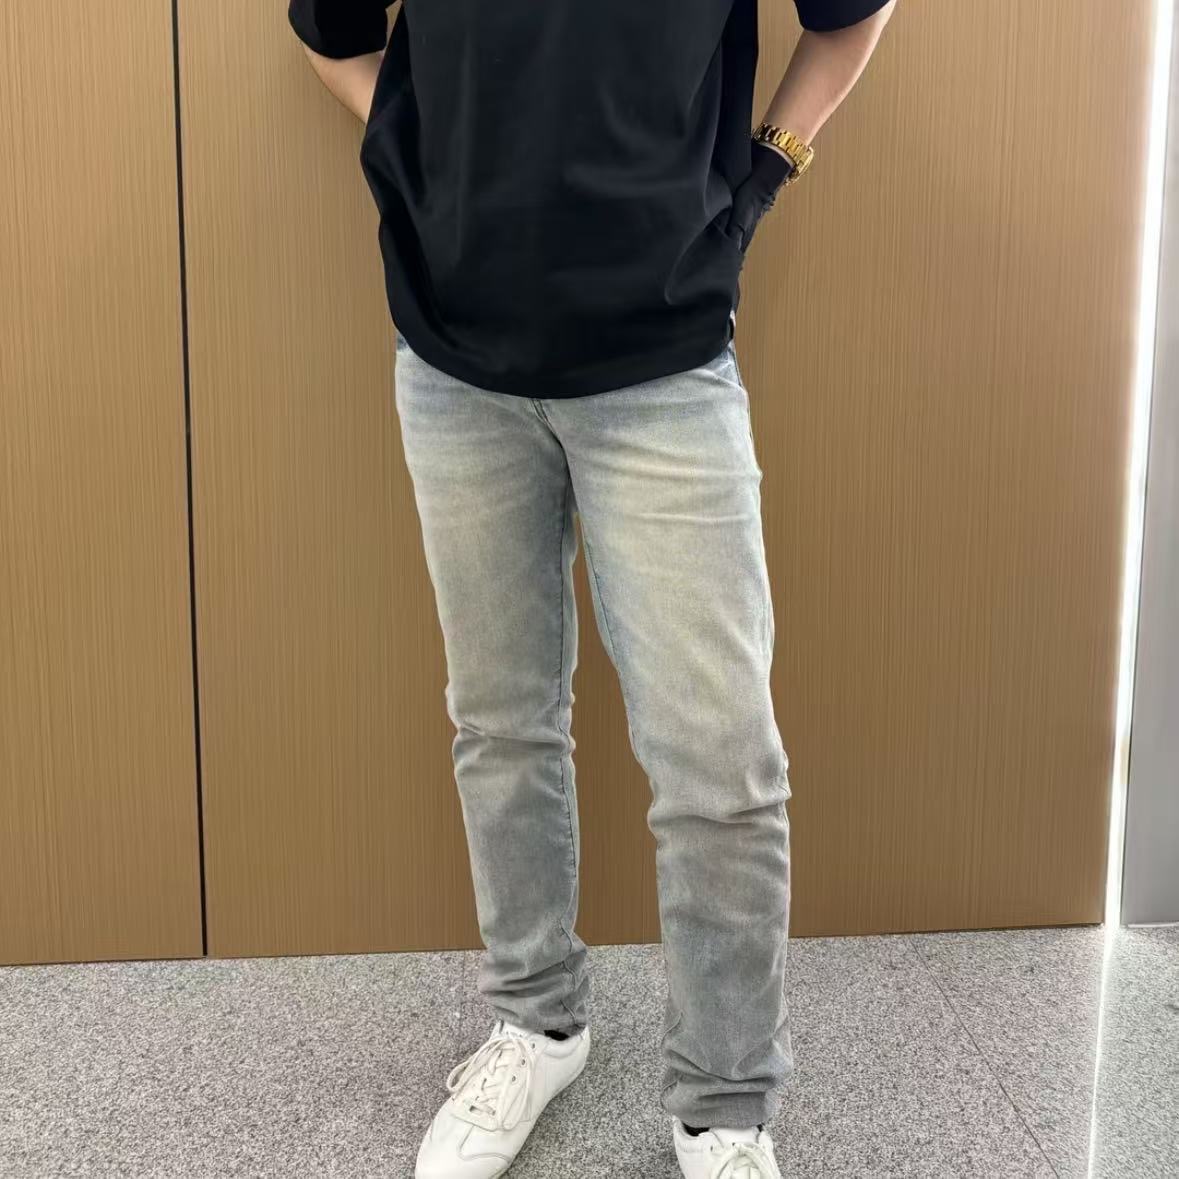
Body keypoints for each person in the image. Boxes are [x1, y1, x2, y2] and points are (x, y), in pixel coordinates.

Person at [288, 1, 895, 1174]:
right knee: (501, 720)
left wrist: (770, 166)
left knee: (721, 764)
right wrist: (413, 151)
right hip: (456, 361)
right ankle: (537, 1021)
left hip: (662, 358)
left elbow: (848, 18)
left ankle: (724, 1103)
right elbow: (331, 31)